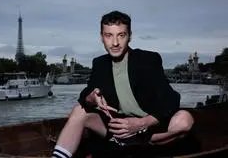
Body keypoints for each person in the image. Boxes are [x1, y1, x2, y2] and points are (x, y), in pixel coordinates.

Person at [51, 10, 194, 158]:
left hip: (150, 129)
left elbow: (171, 100)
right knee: (79, 110)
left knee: (185, 120)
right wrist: (92, 98)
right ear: (101, 37)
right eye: (109, 35)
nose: (115, 43)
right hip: (116, 131)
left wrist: (142, 123)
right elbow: (85, 95)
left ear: (130, 36)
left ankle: (144, 143)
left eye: (121, 35)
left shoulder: (148, 60)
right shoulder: (100, 63)